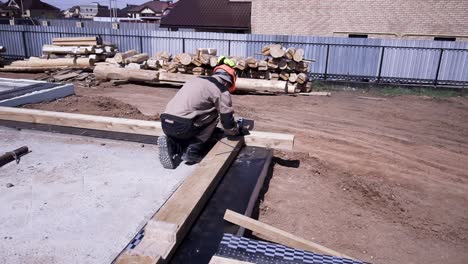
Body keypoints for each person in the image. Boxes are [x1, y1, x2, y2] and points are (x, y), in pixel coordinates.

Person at [158, 56, 240, 169]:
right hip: (184, 127)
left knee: (192, 116)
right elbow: (227, 121)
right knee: (215, 115)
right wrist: (234, 131)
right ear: (229, 81)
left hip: (166, 123)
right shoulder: (221, 89)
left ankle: (172, 142)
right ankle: (192, 151)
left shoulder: (195, 80)